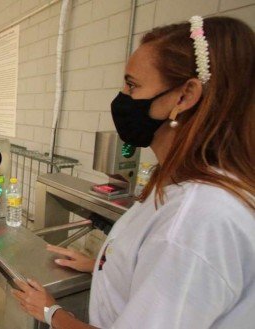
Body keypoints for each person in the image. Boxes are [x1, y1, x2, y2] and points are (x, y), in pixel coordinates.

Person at [13, 16, 254, 328]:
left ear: (184, 96)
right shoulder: (182, 179)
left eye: (132, 85)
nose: (122, 97)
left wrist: (51, 313)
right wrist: (104, 264)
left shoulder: (196, 221)